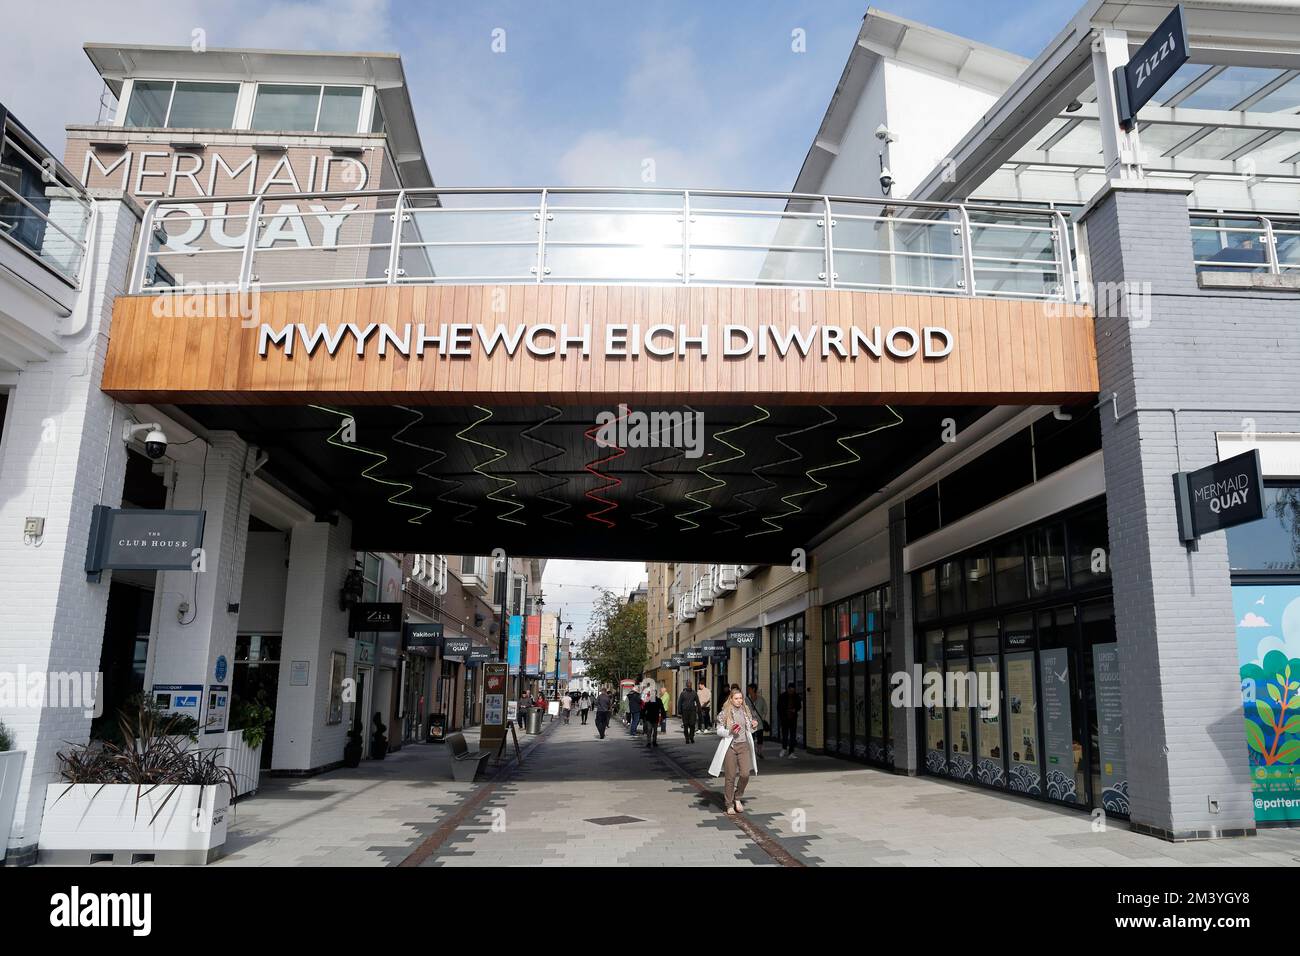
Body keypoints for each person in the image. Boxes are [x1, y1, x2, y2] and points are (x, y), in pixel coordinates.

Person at [708, 686, 759, 815]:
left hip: (744, 746)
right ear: (731, 699)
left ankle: (738, 797)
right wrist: (729, 732)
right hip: (730, 747)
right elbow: (719, 730)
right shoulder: (725, 713)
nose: (739, 701)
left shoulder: (746, 711)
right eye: (736, 698)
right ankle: (729, 804)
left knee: (745, 774)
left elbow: (749, 730)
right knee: (730, 777)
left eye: (741, 698)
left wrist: (754, 725)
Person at [776, 682, 802, 758]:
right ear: (788, 689)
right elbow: (779, 708)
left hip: (793, 718)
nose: (791, 691)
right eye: (790, 689)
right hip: (784, 718)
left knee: (793, 736)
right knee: (785, 735)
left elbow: (799, 706)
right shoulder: (782, 696)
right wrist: (781, 716)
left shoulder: (796, 696)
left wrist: (795, 709)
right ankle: (784, 748)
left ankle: (791, 752)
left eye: (793, 690)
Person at [747, 683, 769, 759]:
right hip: (750, 722)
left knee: (760, 738)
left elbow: (765, 709)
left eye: (749, 689)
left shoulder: (761, 699)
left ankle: (759, 752)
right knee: (751, 738)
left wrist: (762, 718)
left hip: (759, 722)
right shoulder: (747, 700)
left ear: (753, 689)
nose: (748, 690)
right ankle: (752, 752)